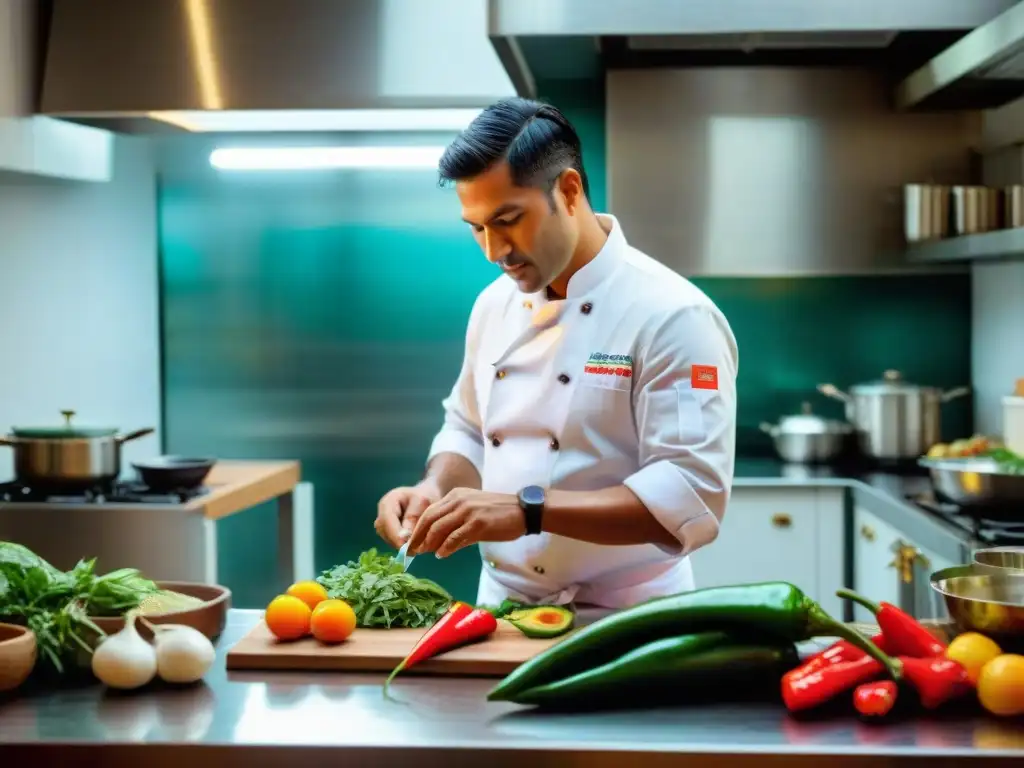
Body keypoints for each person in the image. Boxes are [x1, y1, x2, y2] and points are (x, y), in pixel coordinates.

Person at [375, 97, 738, 609]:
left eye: (508, 219)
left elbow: (688, 494)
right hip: (503, 607)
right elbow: (469, 430)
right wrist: (434, 491)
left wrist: (528, 511)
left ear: (568, 190)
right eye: (477, 227)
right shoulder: (492, 306)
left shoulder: (674, 316)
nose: (493, 251)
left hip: (631, 617)